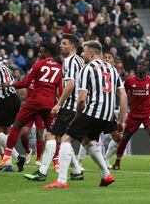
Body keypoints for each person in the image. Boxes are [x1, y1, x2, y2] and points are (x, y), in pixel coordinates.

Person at [44, 40, 127, 189]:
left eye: (83, 52)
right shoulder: (112, 69)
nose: (81, 55)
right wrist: (121, 120)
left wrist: (77, 117)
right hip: (108, 115)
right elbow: (123, 95)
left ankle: (61, 180)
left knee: (66, 139)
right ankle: (106, 175)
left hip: (93, 110)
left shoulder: (86, 69)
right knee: (87, 141)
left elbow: (81, 99)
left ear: (91, 53)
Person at [24, 34, 84, 181]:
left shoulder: (70, 61)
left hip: (70, 105)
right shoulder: (81, 61)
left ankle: (42, 172)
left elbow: (70, 84)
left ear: (72, 47)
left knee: (50, 135)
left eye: (64, 43)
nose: (60, 46)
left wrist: (58, 104)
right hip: (77, 105)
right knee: (65, 139)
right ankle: (76, 171)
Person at [0, 43, 62, 172]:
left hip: (35, 101)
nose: (40, 53)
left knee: (16, 126)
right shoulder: (60, 67)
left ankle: (7, 156)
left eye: (42, 51)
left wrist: (10, 84)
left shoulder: (38, 64)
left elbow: (24, 83)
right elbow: (60, 90)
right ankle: (57, 163)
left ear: (47, 51)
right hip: (49, 103)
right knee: (52, 134)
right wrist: (58, 104)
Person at [112, 59, 150, 171]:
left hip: (148, 113)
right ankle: (117, 162)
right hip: (134, 114)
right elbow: (123, 95)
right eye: (139, 64)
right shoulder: (129, 81)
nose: (140, 66)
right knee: (125, 138)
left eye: (143, 65)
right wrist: (122, 112)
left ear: (147, 68)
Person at [77, 51, 123, 169]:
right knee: (86, 137)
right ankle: (79, 162)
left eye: (110, 58)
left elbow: (121, 93)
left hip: (108, 112)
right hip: (94, 110)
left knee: (118, 137)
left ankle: (106, 159)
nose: (107, 59)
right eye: (105, 57)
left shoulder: (113, 73)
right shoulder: (94, 70)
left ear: (113, 60)